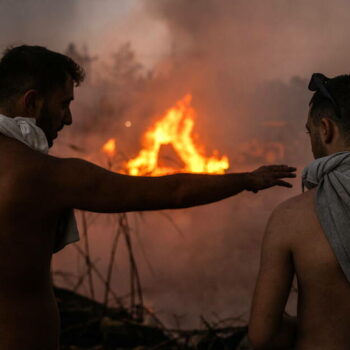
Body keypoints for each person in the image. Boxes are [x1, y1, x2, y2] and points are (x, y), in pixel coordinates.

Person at [0, 45, 295, 350]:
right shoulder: (44, 175)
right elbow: (172, 191)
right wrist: (245, 180)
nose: (70, 118)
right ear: (32, 102)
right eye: (64, 104)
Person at [249, 73, 350, 350]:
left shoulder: (291, 218)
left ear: (326, 129)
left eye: (310, 131)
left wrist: (314, 327)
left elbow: (262, 336)